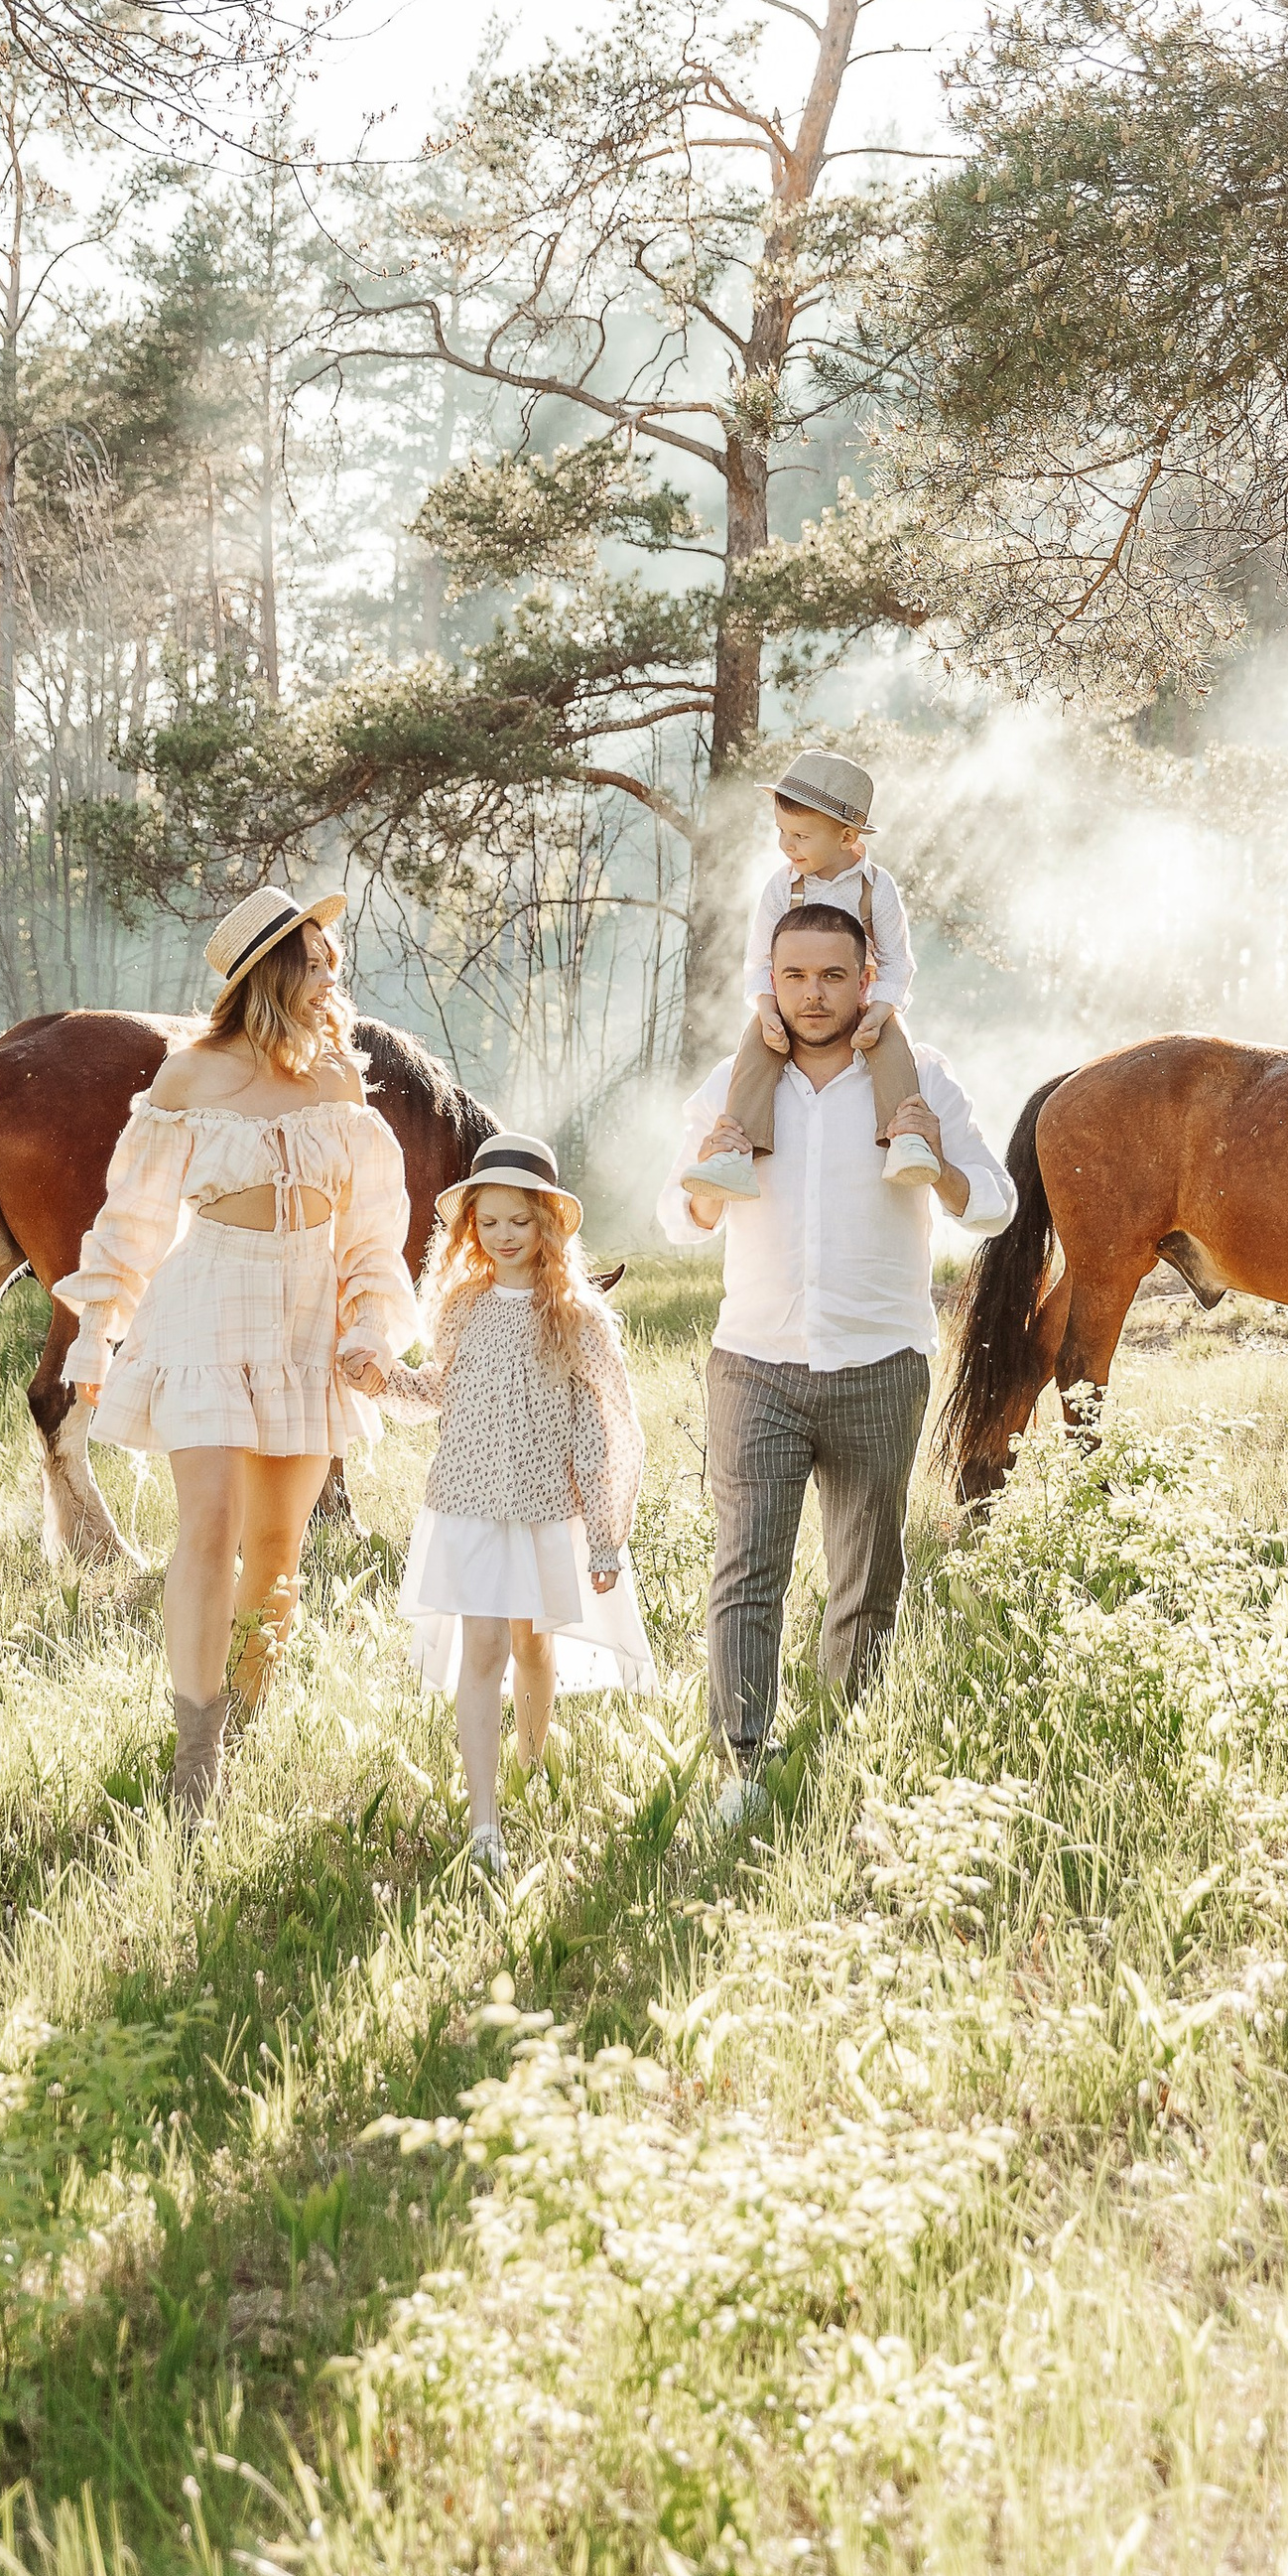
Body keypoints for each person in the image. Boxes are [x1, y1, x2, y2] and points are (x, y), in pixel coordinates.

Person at [63, 883, 419, 1817]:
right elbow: (132, 1224)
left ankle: (250, 1714)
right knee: (209, 1528)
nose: (333, 970)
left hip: (306, 1324)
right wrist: (96, 1337)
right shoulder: (187, 1081)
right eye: (317, 953)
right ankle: (198, 1756)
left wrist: (371, 1327)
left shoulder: (340, 1079)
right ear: (271, 969)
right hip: (208, 1310)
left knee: (274, 1548)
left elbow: (375, 1233)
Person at [659, 897, 1014, 1828]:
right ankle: (742, 1766)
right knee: (747, 1569)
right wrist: (704, 1176)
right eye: (793, 975)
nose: (813, 995)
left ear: (867, 980)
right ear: (768, 983)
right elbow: (678, 1219)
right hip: (756, 1362)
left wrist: (936, 1164)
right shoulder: (734, 1083)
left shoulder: (919, 1078)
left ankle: (845, 1748)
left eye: (831, 975)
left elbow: (997, 1205)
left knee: (867, 1573)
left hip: (880, 1360)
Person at [387, 1133, 652, 1880]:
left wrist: (605, 1536)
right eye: (490, 1221)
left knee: (536, 1645)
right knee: (485, 1651)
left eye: (519, 1221)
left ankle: (533, 1770)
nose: (504, 1236)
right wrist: (381, 1381)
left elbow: (608, 1428)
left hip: (543, 1508)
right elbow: (438, 1391)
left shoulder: (576, 1317)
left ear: (549, 1226)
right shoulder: (463, 1307)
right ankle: (484, 1823)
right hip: (470, 1504)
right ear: (471, 1226)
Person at [681, 747, 931, 1202]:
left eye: (800, 835)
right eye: (781, 832)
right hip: (792, 1003)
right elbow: (759, 961)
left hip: (858, 1003)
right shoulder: (782, 886)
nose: (786, 845)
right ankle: (735, 1152)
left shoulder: (876, 889)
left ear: (846, 835)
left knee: (894, 1046)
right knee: (757, 1048)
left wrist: (879, 1011)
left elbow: (897, 961)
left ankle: (905, 1137)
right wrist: (767, 1008)